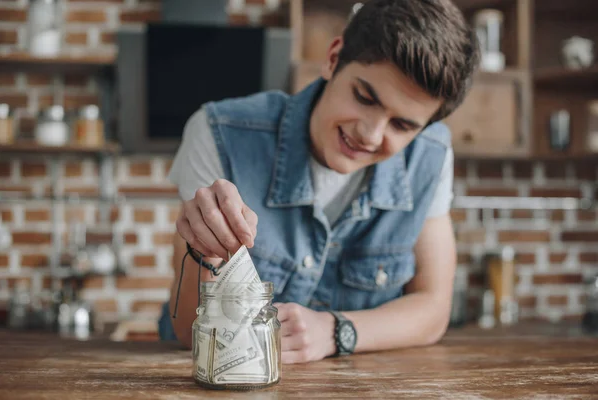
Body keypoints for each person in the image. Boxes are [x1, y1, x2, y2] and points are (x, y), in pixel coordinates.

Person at [159, 0, 480, 364]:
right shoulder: (218, 133)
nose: (371, 135)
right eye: (364, 97)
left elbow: (434, 309)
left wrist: (334, 330)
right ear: (333, 58)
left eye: (402, 125)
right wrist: (206, 252)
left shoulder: (431, 155)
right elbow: (188, 331)